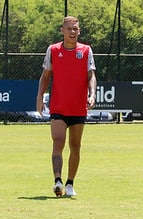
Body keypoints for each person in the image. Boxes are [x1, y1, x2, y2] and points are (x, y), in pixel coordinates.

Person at [36, 16, 97, 198]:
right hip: (59, 107)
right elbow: (45, 76)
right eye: (69, 28)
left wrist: (92, 94)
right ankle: (57, 180)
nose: (72, 32)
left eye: (75, 29)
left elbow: (91, 75)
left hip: (78, 107)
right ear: (62, 30)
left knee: (75, 145)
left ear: (79, 31)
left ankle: (70, 183)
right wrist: (40, 97)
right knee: (58, 141)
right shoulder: (53, 50)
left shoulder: (86, 50)